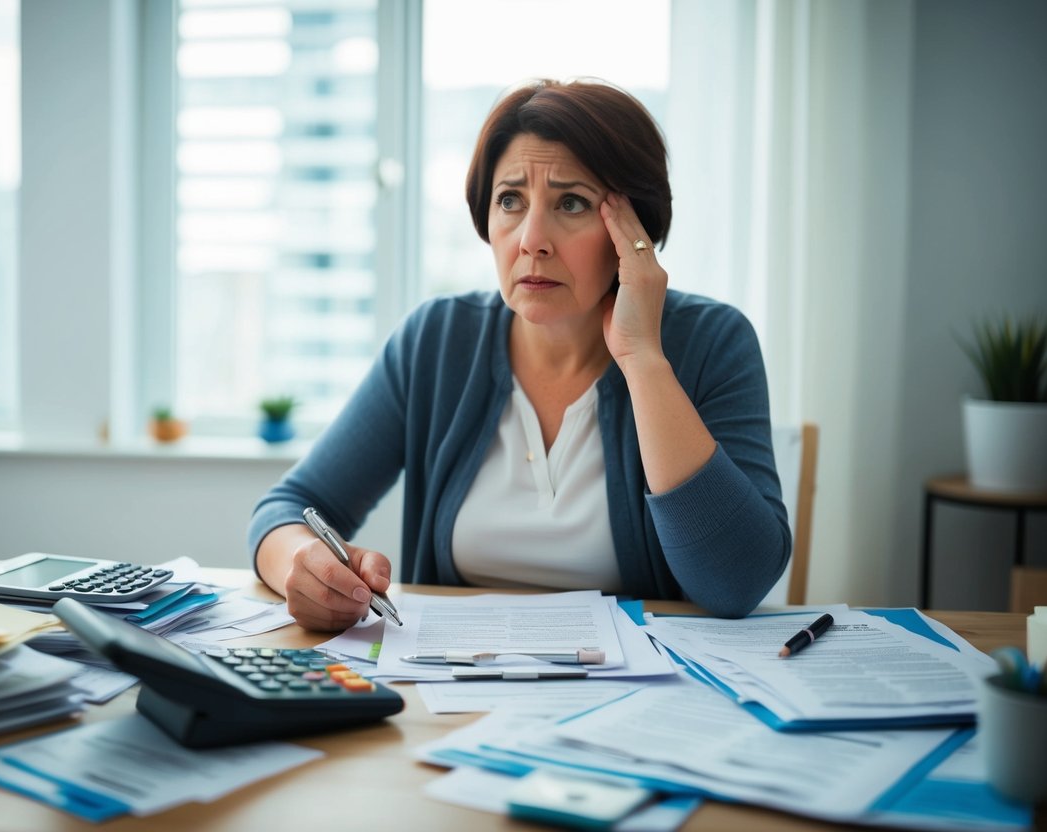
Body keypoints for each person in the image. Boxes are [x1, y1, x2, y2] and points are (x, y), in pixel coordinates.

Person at [249, 78, 791, 631]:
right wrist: (303, 565)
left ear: (635, 232)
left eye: (572, 202)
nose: (532, 238)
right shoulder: (437, 341)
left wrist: (642, 358)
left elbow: (737, 583)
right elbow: (289, 509)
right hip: (457, 694)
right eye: (510, 200)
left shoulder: (713, 342)